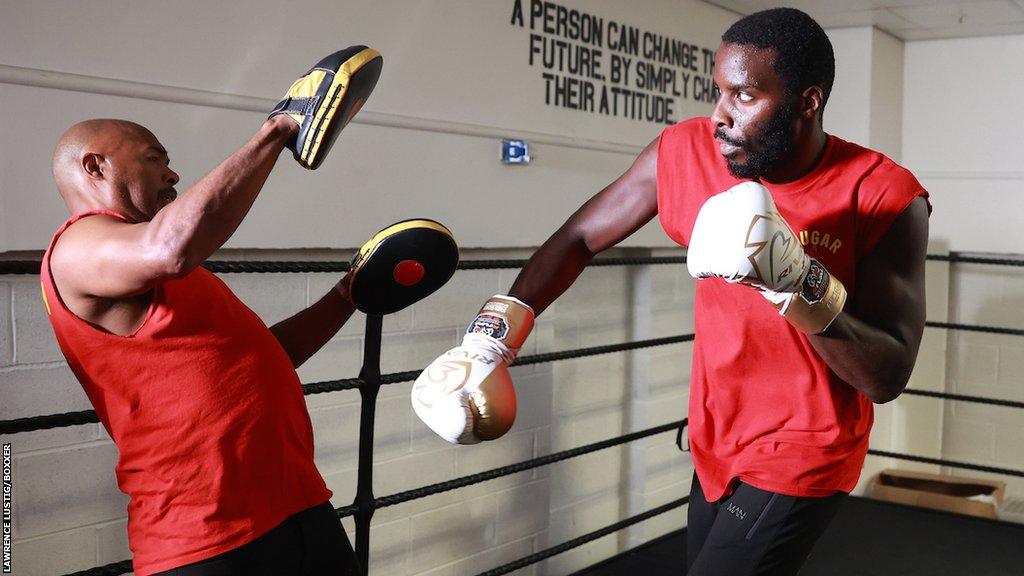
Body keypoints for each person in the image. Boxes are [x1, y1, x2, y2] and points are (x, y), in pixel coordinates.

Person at [411, 8, 930, 576]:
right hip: (716, 438)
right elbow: (581, 236)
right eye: (718, 92)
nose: (719, 116)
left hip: (805, 447)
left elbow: (887, 376)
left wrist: (796, 283)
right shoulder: (686, 153)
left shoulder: (884, 194)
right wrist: (492, 339)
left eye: (745, 96)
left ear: (808, 101)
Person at [41, 45, 382, 576]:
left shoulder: (170, 274)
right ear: (95, 166)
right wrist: (278, 130)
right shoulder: (77, 249)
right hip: (206, 540)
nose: (173, 175)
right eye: (156, 158)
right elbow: (171, 247)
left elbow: (264, 359)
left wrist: (348, 296)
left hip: (298, 509)